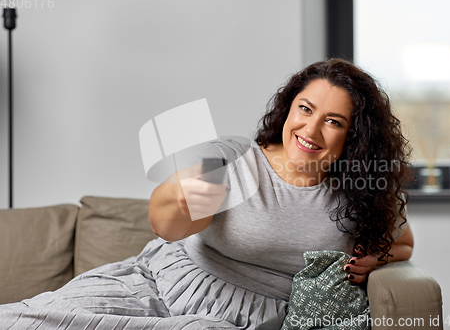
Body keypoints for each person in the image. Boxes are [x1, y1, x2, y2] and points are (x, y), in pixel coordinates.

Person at [0, 58, 414, 330]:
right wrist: (184, 197)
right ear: (289, 107)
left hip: (245, 318)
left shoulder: (361, 192)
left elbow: (404, 243)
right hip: (156, 283)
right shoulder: (233, 156)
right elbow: (170, 223)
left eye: (333, 121)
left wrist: (376, 258)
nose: (310, 129)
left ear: (354, 136)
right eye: (305, 109)